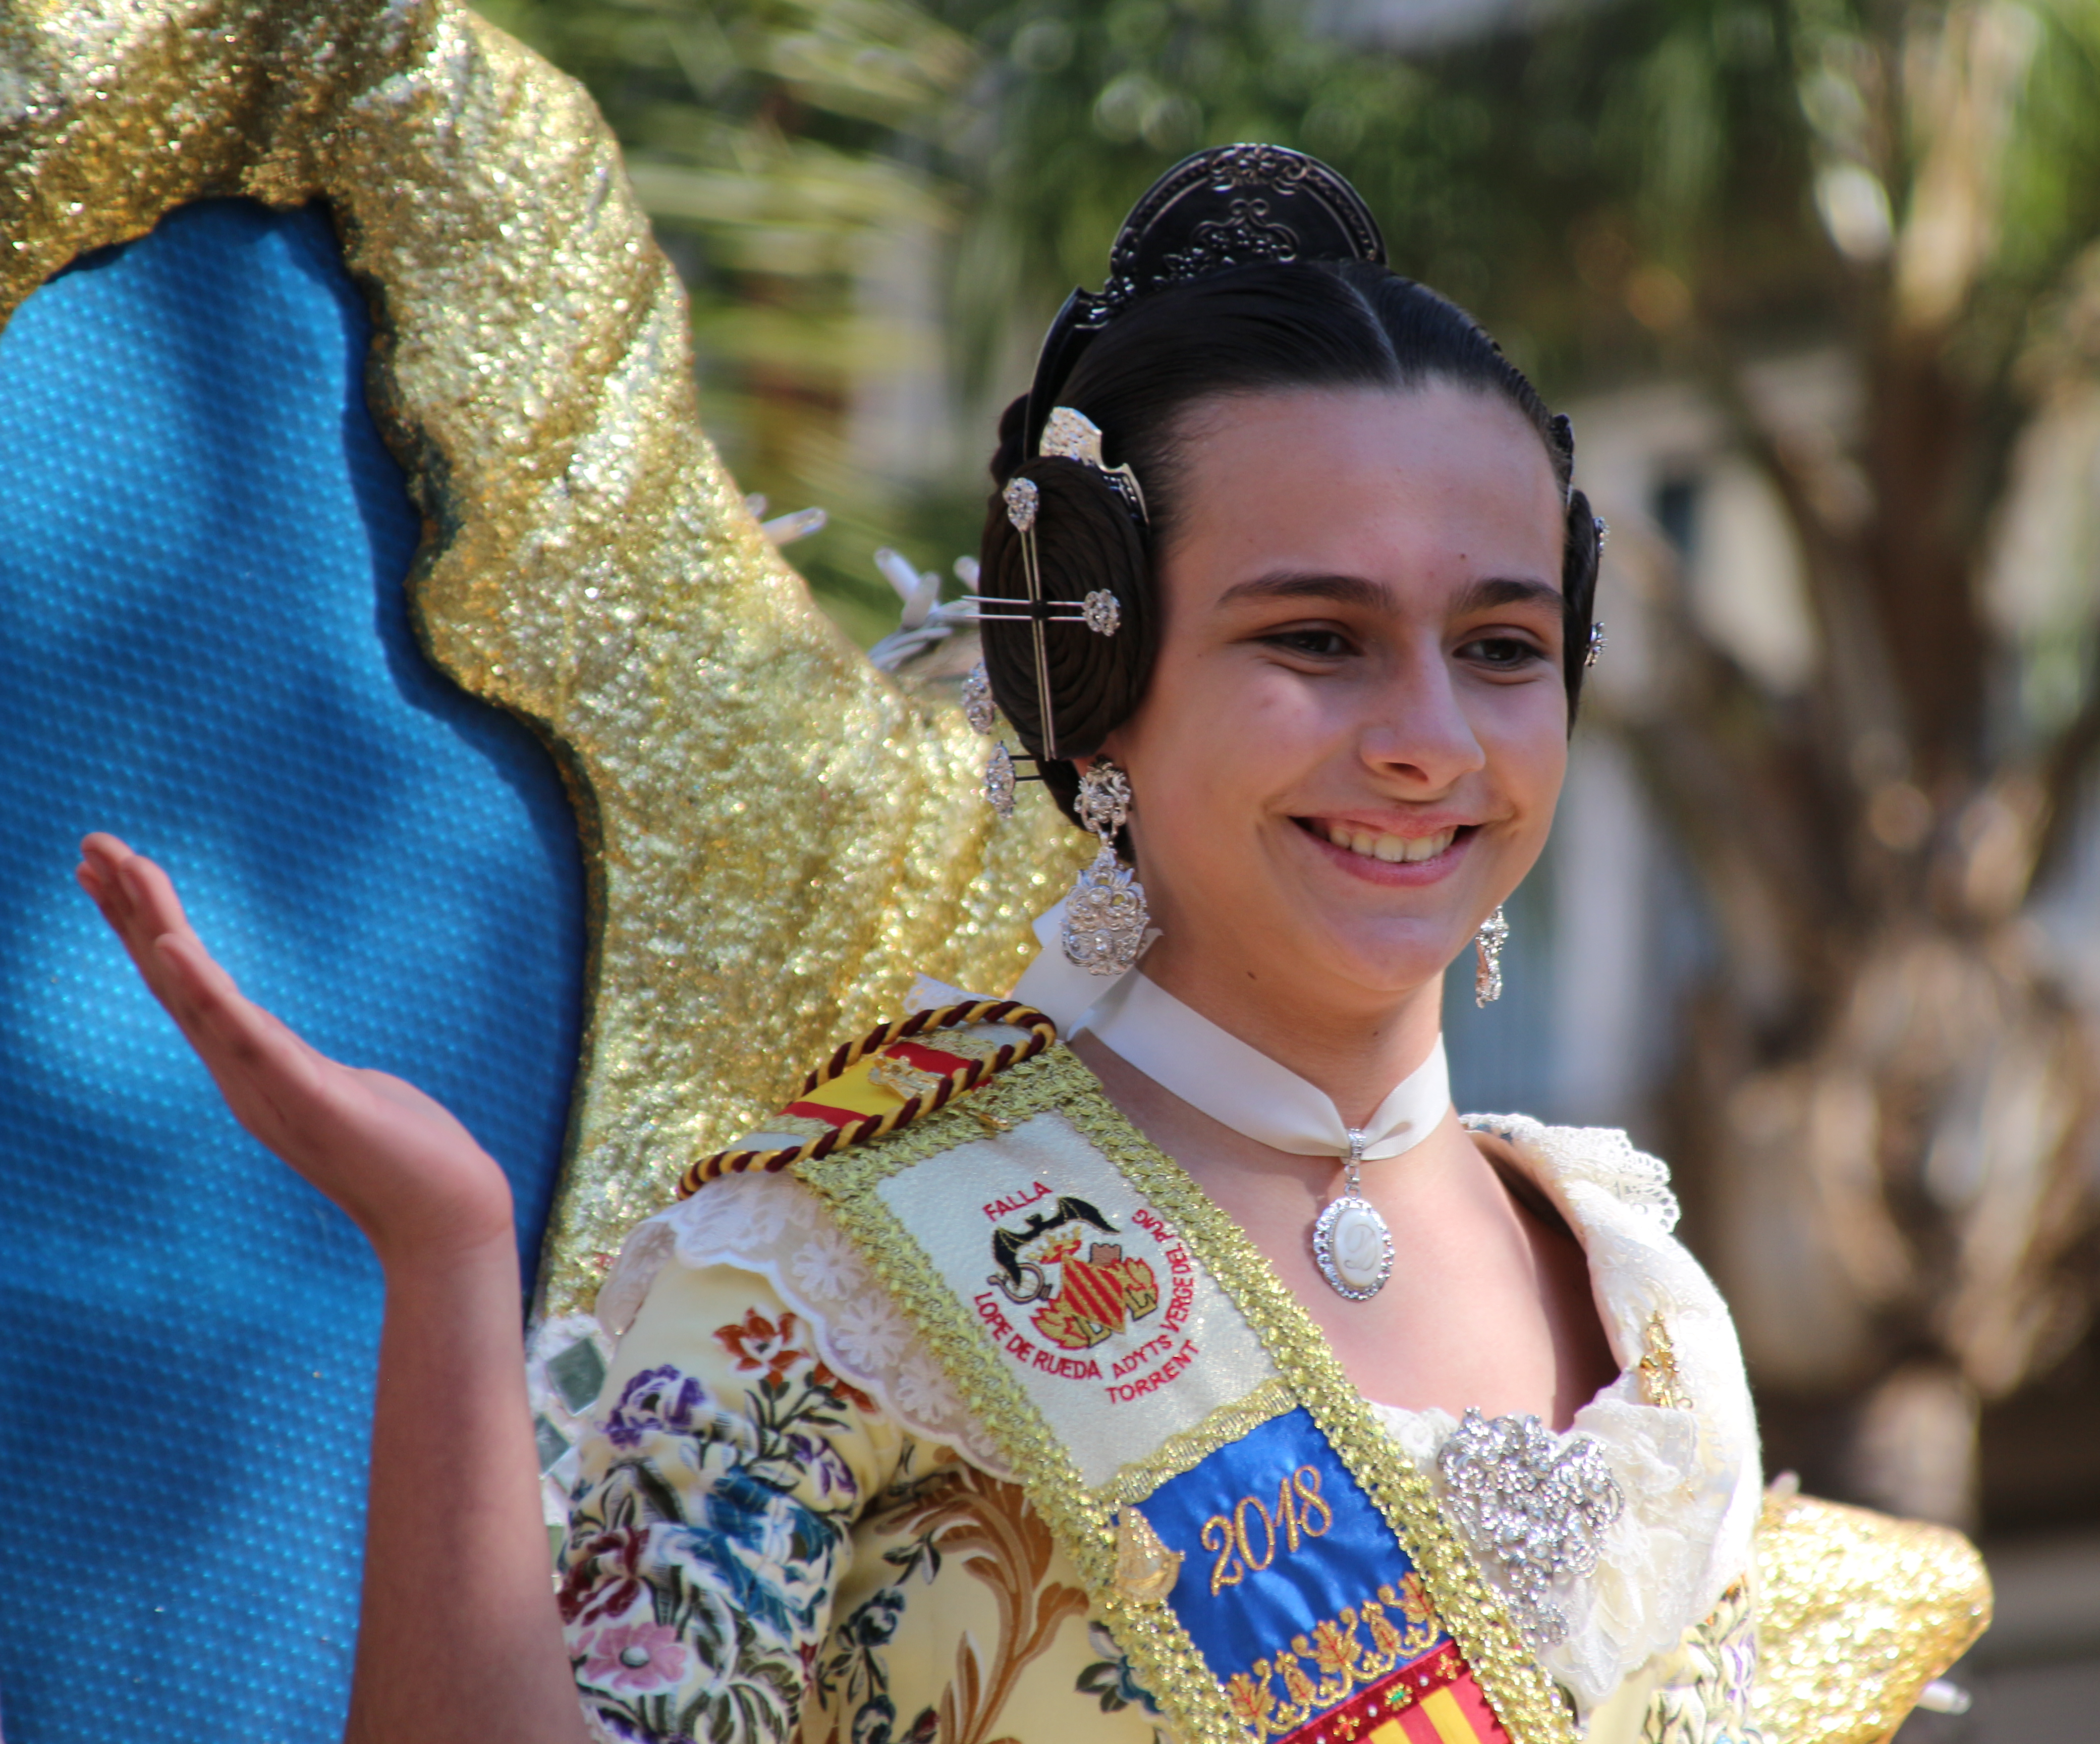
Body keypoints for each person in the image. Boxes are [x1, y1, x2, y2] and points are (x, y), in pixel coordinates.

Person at [76, 146, 1761, 1744]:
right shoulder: (826, 1277)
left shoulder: (1647, 1298)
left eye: (1502, 645)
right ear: (1097, 689)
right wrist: (447, 1258)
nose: (1427, 738)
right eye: (1317, 639)